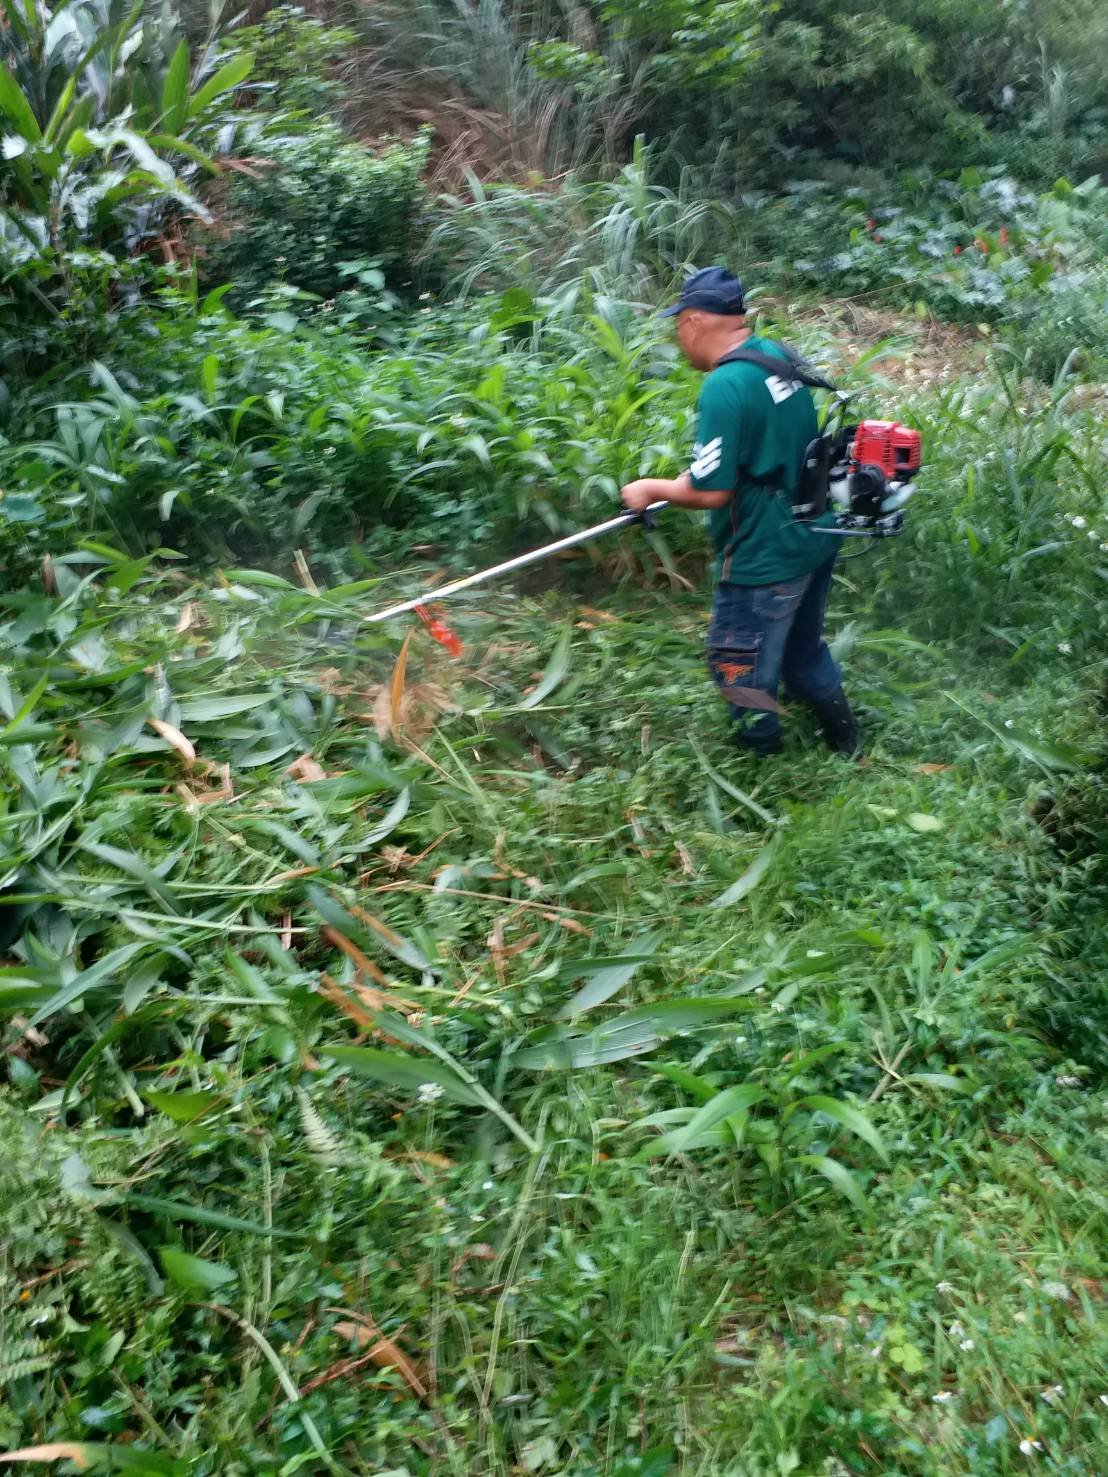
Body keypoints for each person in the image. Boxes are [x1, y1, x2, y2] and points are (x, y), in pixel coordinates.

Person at [620, 266, 861, 757]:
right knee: (803, 651)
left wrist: (648, 488)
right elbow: (758, 454)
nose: (677, 335)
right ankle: (847, 744)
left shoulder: (724, 386)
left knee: (737, 668)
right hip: (813, 531)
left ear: (692, 321)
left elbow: (712, 491)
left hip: (764, 555)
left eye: (677, 324)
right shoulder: (773, 355)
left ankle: (761, 770)